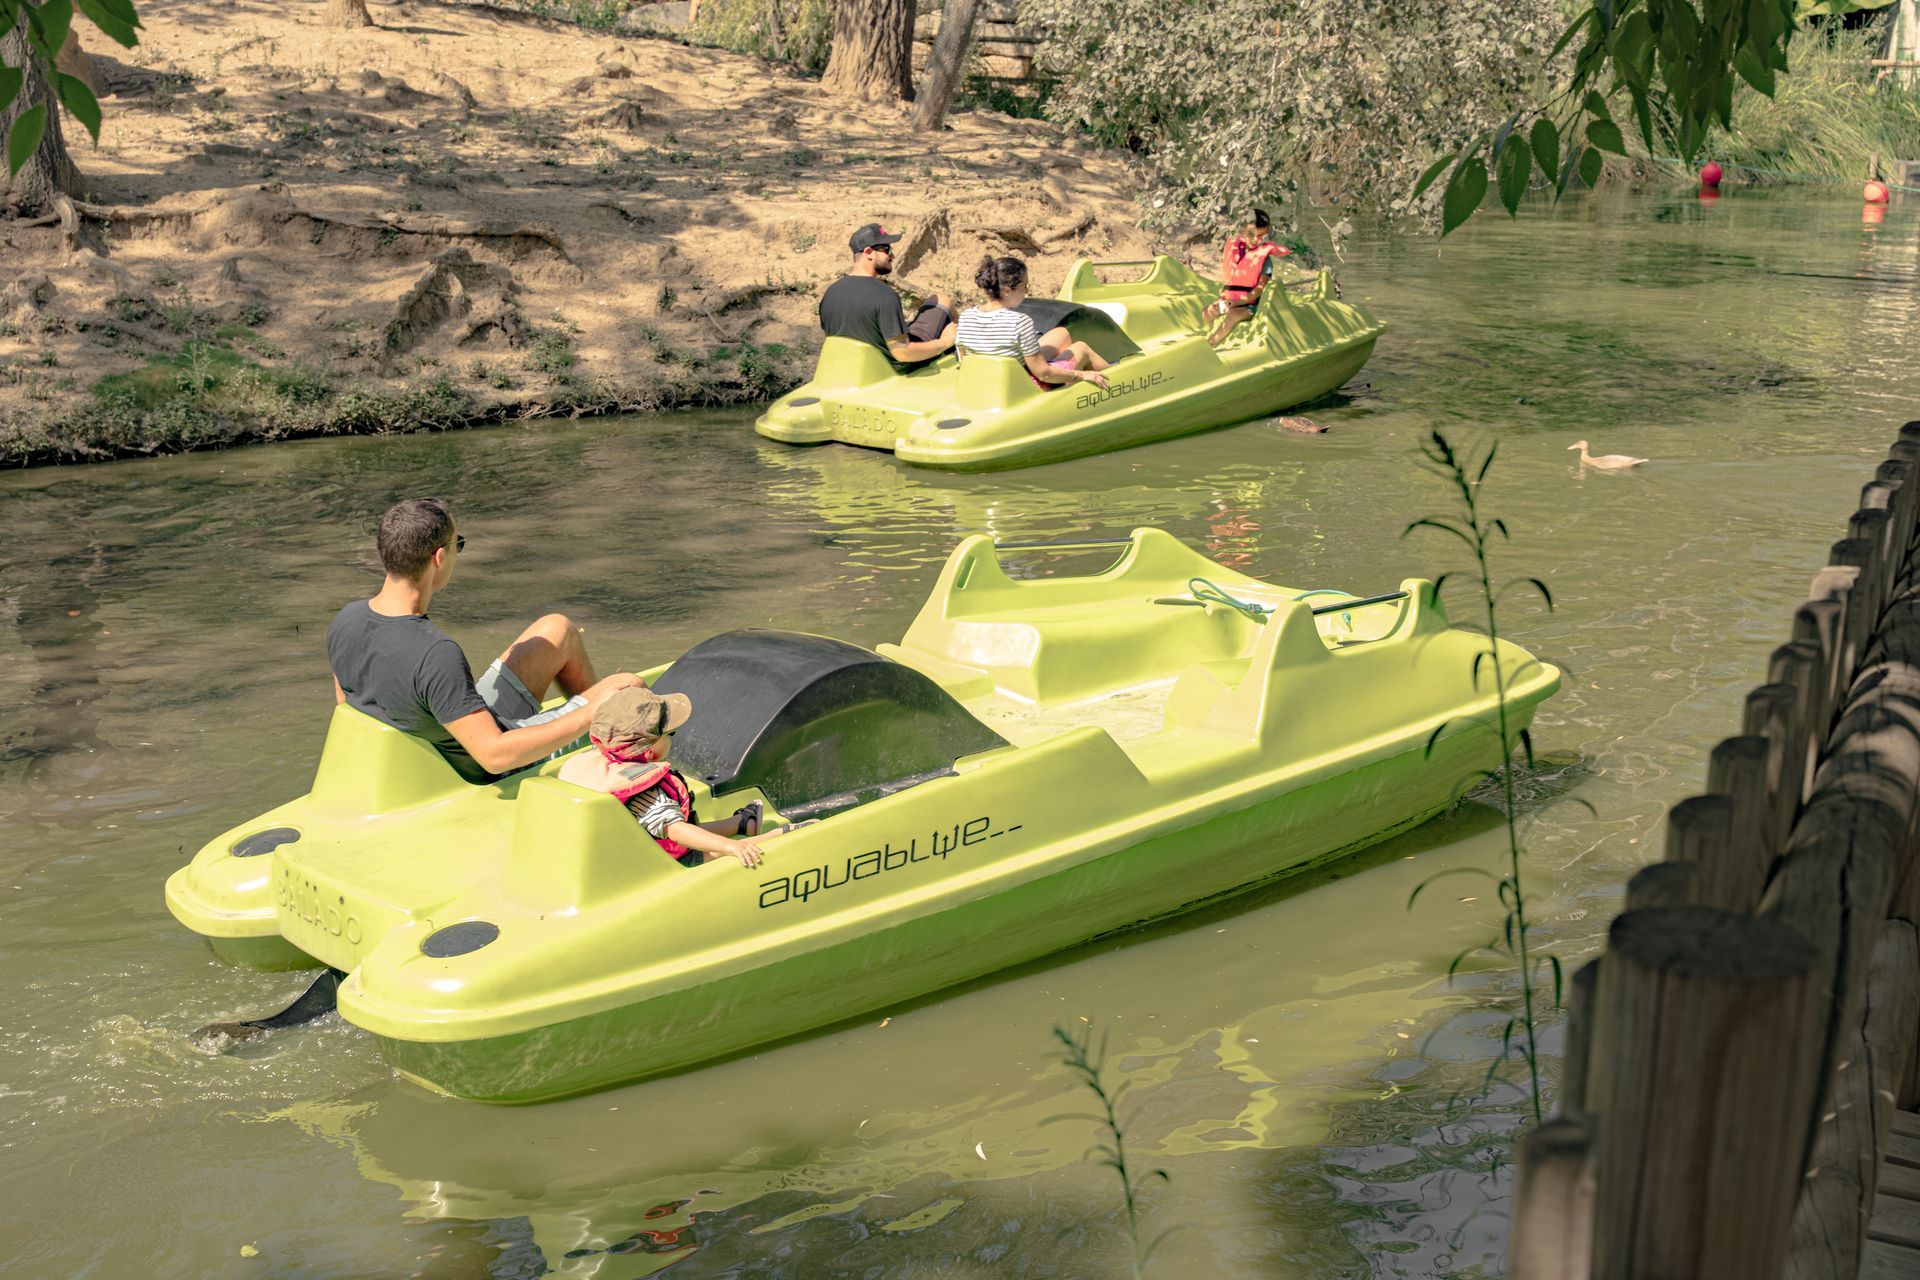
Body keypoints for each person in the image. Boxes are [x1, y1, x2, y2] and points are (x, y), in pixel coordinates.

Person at [327, 498, 643, 783]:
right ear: (439, 557)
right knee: (627, 687)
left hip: (457, 733)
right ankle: (606, 739)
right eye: (457, 545)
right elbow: (495, 757)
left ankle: (598, 735)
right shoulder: (435, 653)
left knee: (557, 630)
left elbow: (348, 708)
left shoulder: (346, 620)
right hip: (495, 765)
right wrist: (593, 712)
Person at [558, 686, 790, 869]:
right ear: (649, 752)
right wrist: (731, 847)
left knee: (689, 827)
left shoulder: (597, 767)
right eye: (671, 734)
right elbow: (677, 831)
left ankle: (740, 823)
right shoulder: (651, 794)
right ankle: (774, 836)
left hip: (637, 844)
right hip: (665, 858)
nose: (672, 738)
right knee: (706, 848)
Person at [818, 223, 957, 372]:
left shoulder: (830, 292)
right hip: (894, 368)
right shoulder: (884, 296)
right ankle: (957, 352)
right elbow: (902, 353)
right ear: (869, 252)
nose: (893, 255)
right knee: (941, 300)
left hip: (854, 368)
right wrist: (943, 342)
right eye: (887, 249)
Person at [956, 256, 1110, 390]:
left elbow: (965, 360)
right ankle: (1118, 380)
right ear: (1007, 290)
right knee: (1081, 348)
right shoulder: (1019, 322)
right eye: (1024, 287)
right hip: (1023, 387)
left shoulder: (965, 317)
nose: (1027, 292)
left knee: (1061, 333)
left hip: (990, 382)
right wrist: (1081, 374)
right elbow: (1044, 374)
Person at [1204, 208, 1290, 347]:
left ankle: (1209, 345)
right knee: (1207, 311)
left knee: (1233, 315)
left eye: (1261, 236)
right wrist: (1222, 300)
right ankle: (1211, 331)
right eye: (1251, 234)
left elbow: (1259, 289)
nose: (1256, 240)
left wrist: (1237, 303)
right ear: (1242, 230)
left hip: (1251, 306)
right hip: (1231, 302)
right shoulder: (1236, 251)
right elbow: (1231, 281)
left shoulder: (1264, 260)